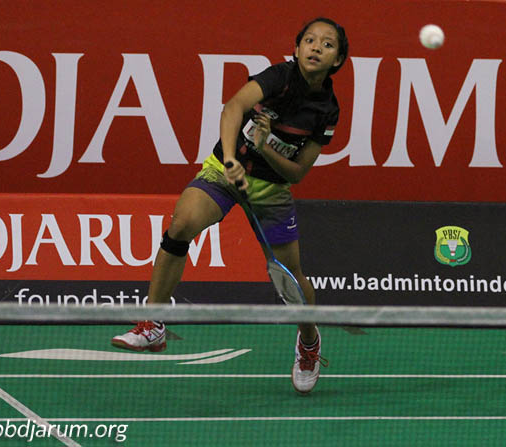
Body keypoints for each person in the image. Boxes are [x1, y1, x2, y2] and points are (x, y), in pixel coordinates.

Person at [112, 17, 349, 394]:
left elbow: (298, 172)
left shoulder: (327, 110)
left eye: (327, 44)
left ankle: (308, 341)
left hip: (271, 189)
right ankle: (153, 323)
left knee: (292, 275)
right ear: (297, 47)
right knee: (181, 225)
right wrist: (229, 158)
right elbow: (233, 107)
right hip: (226, 169)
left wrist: (265, 147)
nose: (316, 47)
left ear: (337, 59)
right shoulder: (278, 77)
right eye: (309, 40)